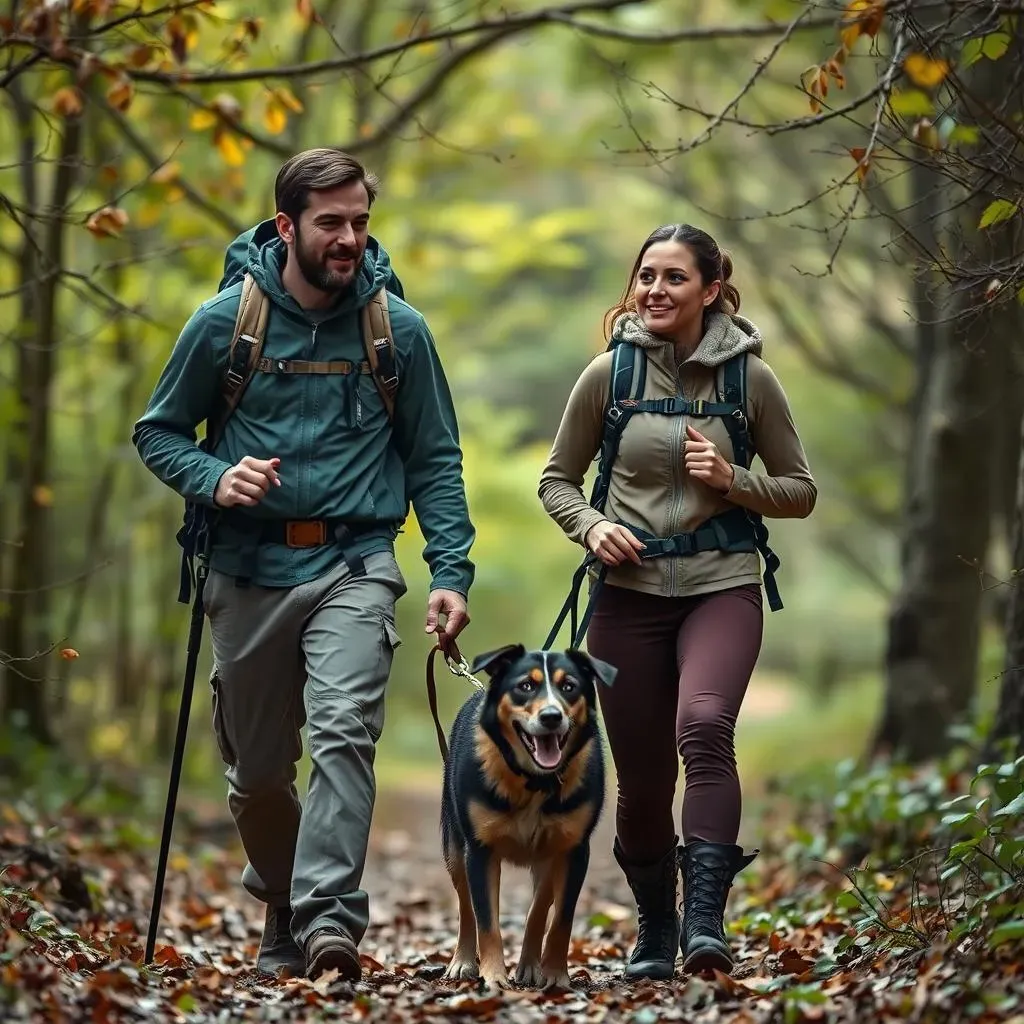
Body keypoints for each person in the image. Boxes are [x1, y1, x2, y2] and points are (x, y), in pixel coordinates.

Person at [133, 148, 476, 981]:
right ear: (287, 225)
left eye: (360, 220)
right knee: (256, 779)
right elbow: (158, 431)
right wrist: (217, 478)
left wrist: (450, 573)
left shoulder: (400, 330)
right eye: (331, 222)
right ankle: (282, 904)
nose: (350, 237)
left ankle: (329, 922)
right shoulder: (225, 323)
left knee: (343, 734)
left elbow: (434, 458)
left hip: (356, 564)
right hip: (247, 569)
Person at [538, 223, 816, 980]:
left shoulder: (749, 381)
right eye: (646, 277)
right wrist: (593, 528)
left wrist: (733, 482)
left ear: (712, 290)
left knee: (704, 727)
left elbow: (800, 492)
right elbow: (555, 480)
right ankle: (656, 928)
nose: (655, 291)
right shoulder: (608, 377)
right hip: (625, 599)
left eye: (674, 279)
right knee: (645, 775)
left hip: (719, 585)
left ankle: (704, 923)